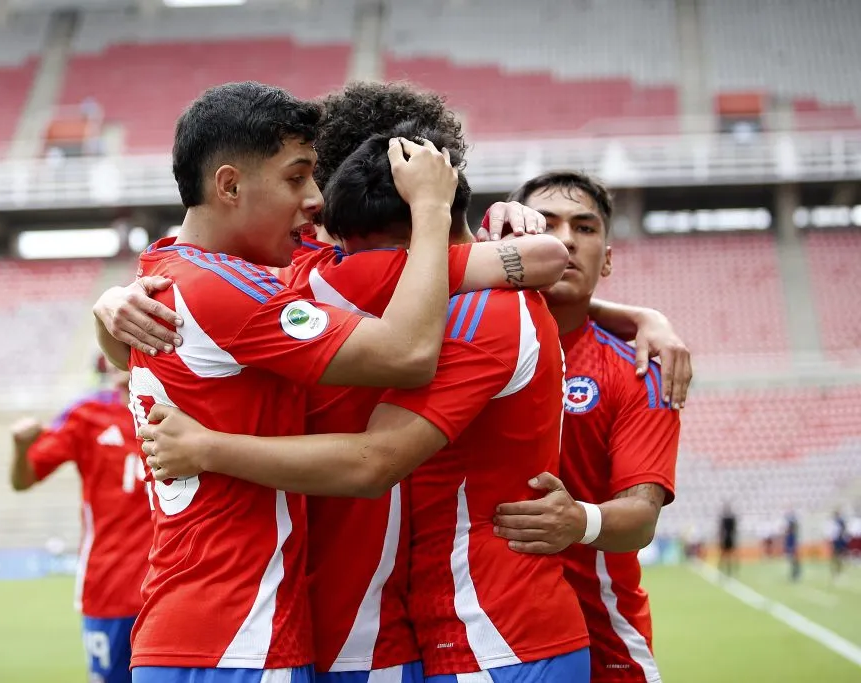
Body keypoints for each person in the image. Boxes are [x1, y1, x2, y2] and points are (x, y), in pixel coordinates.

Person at [137, 124, 592, 682]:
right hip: (333, 631)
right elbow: (545, 258)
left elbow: (377, 457)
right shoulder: (318, 274)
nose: (313, 219)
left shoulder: (331, 278)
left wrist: (208, 448)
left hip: (406, 637)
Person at [122, 81, 462, 683]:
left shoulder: (165, 266)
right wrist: (433, 210)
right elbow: (407, 354)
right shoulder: (229, 289)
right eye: (297, 177)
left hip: (195, 629)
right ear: (228, 185)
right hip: (238, 636)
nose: (315, 200)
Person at [487, 173, 684, 683]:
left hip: (601, 638)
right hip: (469, 632)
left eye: (585, 227)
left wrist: (579, 521)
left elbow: (641, 518)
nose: (567, 238)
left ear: (609, 257)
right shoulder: (458, 335)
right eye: (546, 223)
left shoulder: (639, 369)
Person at [10, 362, 152, 683]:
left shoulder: (182, 410)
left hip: (173, 587)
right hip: (110, 586)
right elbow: (24, 478)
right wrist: (21, 448)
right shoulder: (86, 414)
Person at [718, 503, 738, 577]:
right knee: (727, 556)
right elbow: (734, 530)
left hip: (727, 539)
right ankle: (726, 570)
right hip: (729, 539)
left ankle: (724, 570)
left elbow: (721, 530)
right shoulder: (730, 518)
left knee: (727, 556)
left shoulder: (726, 519)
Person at [785, 510, 801, 582]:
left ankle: (796, 574)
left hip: (793, 549)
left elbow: (792, 543)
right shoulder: (790, 535)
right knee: (793, 562)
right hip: (792, 549)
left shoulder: (792, 535)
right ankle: (795, 574)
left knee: (794, 562)